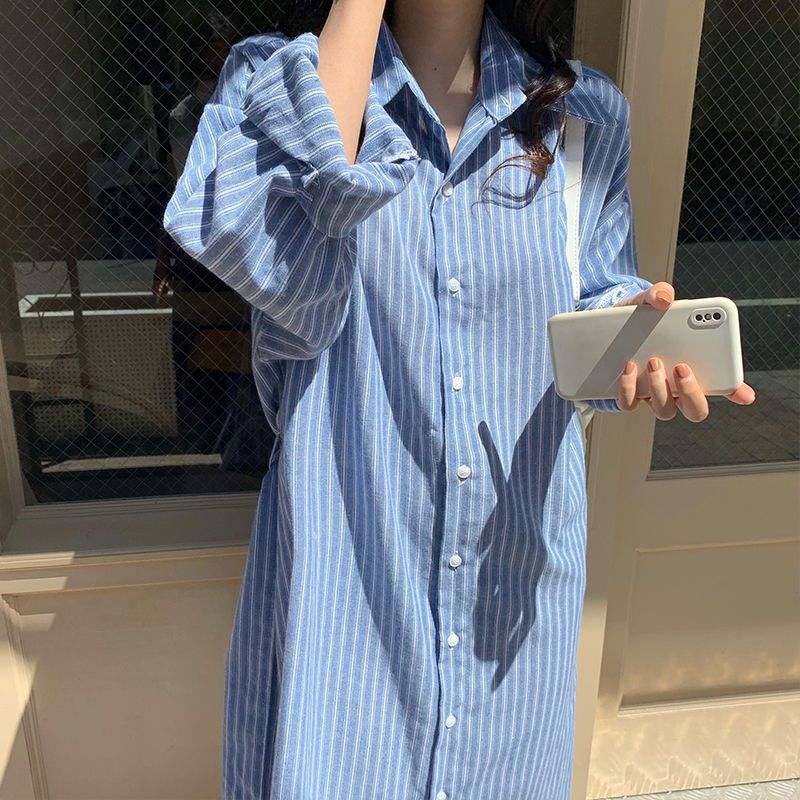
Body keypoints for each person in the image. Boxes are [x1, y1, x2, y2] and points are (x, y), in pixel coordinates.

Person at [163, 1, 757, 797]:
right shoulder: (278, 82)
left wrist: (636, 348)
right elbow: (258, 249)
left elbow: (591, 296)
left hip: (510, 592)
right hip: (350, 584)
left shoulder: (582, 113)